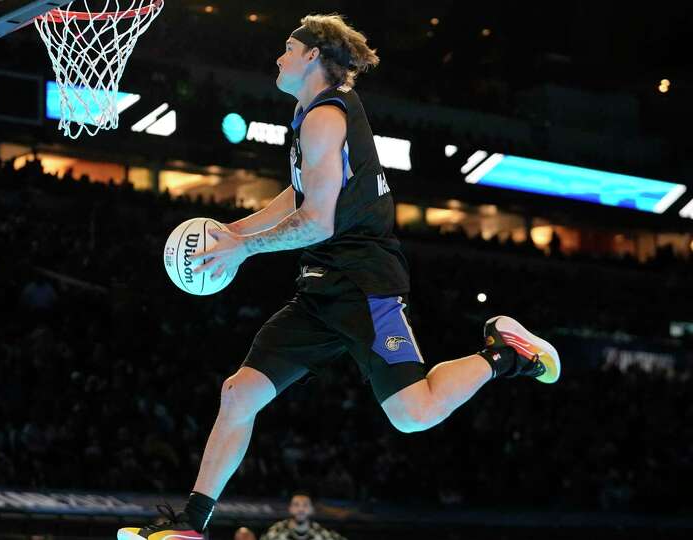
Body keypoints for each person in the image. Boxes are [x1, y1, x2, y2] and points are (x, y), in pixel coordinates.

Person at [117, 13, 560, 540]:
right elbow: (299, 194)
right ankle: (191, 524)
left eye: (287, 46)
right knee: (238, 394)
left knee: (413, 414)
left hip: (364, 283)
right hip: (321, 285)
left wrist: (244, 251)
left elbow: (316, 220)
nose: (279, 56)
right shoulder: (309, 116)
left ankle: (505, 353)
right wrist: (233, 231)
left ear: (312, 56)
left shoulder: (325, 118)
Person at [261, 493, 345, 540]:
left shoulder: (320, 532)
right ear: (290, 509)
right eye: (296, 505)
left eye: (305, 505)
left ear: (311, 510)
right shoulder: (277, 530)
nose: (301, 509)